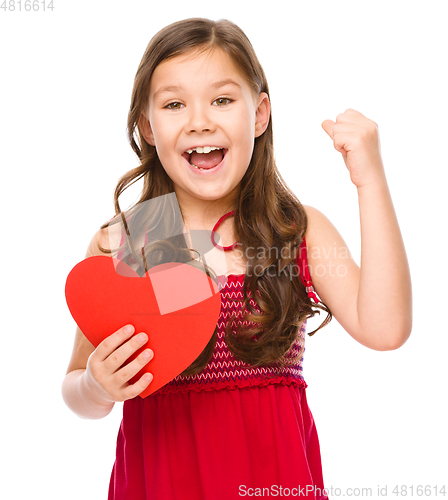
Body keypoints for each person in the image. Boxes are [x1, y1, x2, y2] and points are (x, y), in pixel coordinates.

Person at [61, 17, 412, 500]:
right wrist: (97, 389)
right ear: (146, 124)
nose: (199, 120)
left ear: (260, 114)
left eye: (222, 100)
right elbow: (76, 389)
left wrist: (370, 182)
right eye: (174, 104)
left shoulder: (292, 231)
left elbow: (386, 328)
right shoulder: (137, 239)